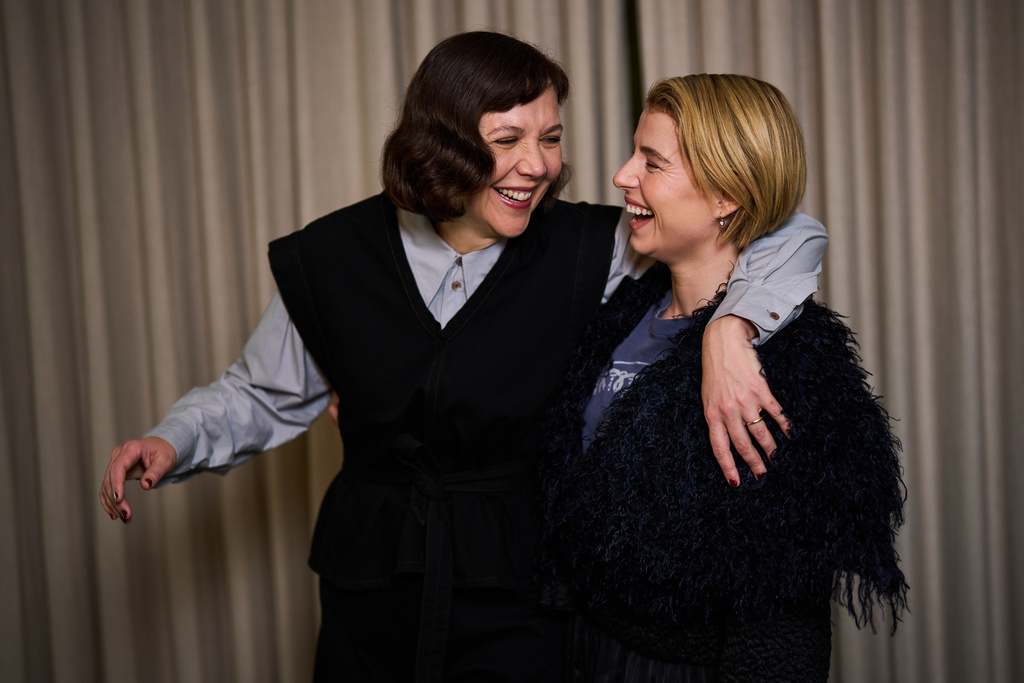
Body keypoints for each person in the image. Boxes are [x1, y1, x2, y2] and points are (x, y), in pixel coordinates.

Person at [98, 33, 827, 682]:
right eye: (507, 139)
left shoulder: (592, 248)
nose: (537, 166)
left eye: (551, 137)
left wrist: (730, 328)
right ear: (441, 140)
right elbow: (261, 393)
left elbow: (778, 224)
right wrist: (172, 439)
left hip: (519, 595)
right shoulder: (335, 256)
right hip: (370, 591)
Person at [539, 74, 907, 682]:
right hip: (585, 651)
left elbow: (780, 622)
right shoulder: (625, 310)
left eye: (652, 162)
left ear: (725, 197)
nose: (622, 175)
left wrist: (727, 328)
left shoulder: (790, 367)